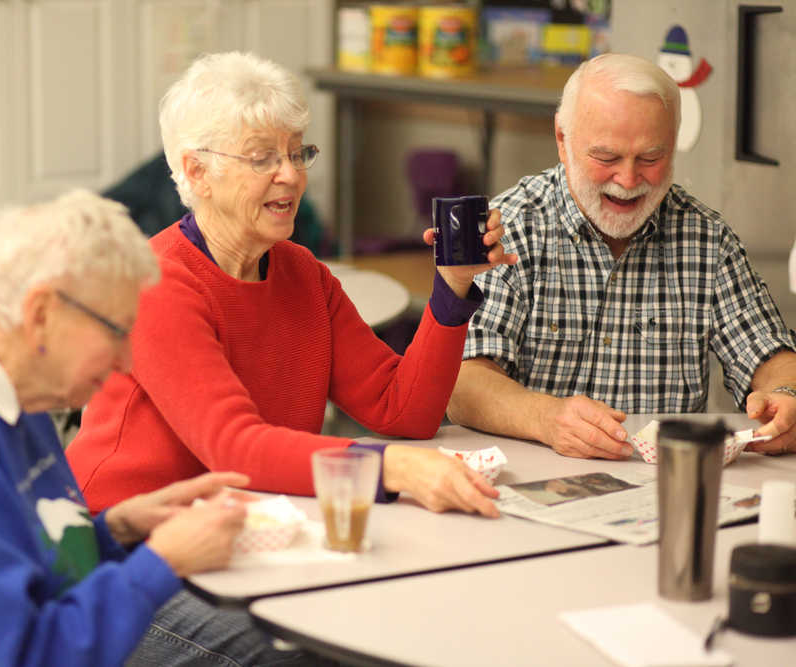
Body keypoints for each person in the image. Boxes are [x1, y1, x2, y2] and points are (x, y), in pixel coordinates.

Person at [0, 190, 310, 666]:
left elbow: (31, 566)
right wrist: (161, 562)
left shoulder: (22, 390)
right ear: (41, 314)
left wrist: (118, 530)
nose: (126, 359)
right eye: (116, 332)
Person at [66, 50, 517, 519]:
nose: (291, 175)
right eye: (263, 158)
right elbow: (234, 449)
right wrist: (391, 467)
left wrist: (452, 286)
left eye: (296, 152)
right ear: (197, 171)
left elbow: (402, 410)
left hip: (246, 522)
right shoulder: (156, 281)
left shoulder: (303, 273)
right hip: (121, 536)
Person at [447, 53, 796, 459]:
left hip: (664, 491)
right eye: (607, 157)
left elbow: (769, 353)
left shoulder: (706, 239)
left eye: (651, 158)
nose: (628, 181)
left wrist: (784, 395)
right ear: (563, 140)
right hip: (528, 482)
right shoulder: (513, 229)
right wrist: (545, 418)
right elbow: (463, 384)